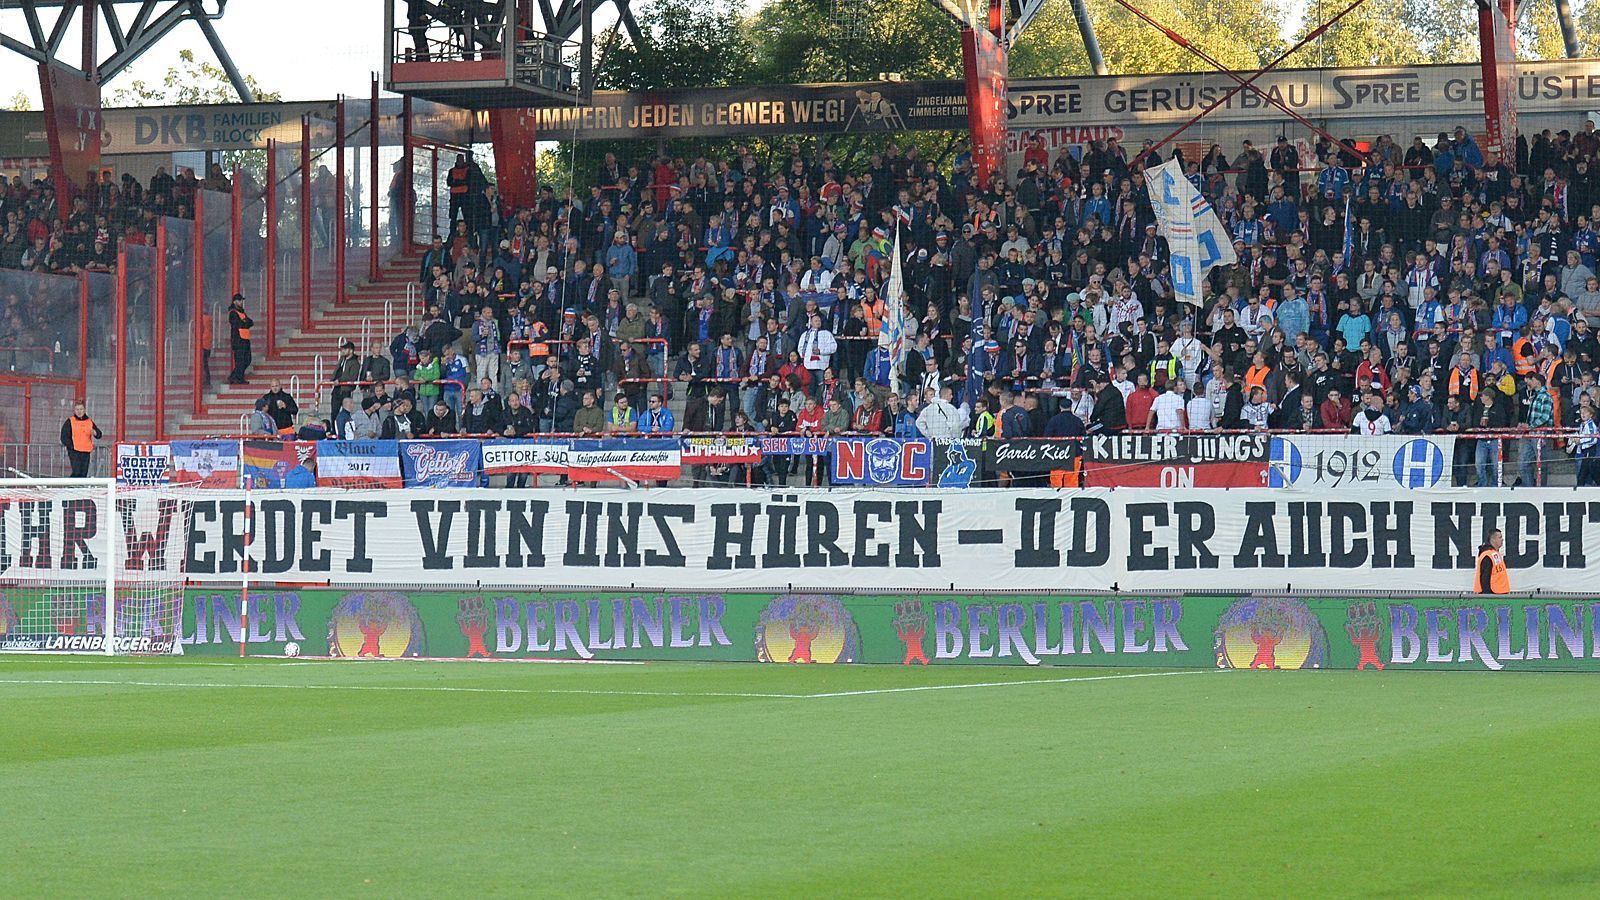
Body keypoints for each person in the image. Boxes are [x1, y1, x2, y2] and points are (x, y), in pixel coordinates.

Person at [60, 400, 101, 478]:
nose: (79, 411)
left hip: (86, 450)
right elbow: (64, 437)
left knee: (84, 472)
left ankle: (80, 488)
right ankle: (72, 487)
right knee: (76, 471)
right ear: (74, 411)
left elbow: (99, 434)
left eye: (81, 409)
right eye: (77, 409)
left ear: (84, 410)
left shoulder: (89, 421)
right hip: (75, 451)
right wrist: (71, 446)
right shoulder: (70, 421)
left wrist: (95, 433)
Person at [1474, 529, 1510, 595]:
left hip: (1498, 593)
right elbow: (1485, 578)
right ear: (1493, 540)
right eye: (1500, 537)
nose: (1502, 539)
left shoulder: (1494, 553)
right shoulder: (1488, 555)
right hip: (1492, 594)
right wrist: (1487, 596)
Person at [228, 294, 253, 384]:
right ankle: (239, 378)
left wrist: (245, 322)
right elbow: (239, 324)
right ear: (235, 301)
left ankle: (234, 376)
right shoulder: (233, 313)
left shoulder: (241, 312)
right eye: (239, 300)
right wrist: (245, 322)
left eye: (241, 300)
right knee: (240, 360)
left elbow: (250, 322)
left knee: (247, 359)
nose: (241, 302)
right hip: (238, 340)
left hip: (245, 339)